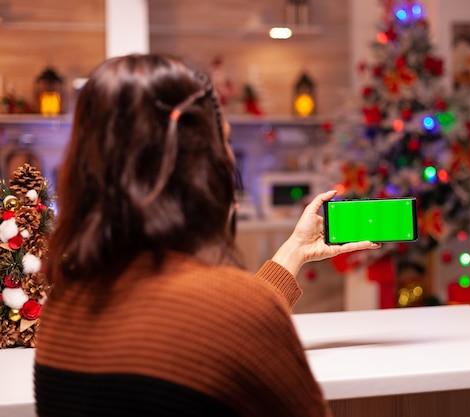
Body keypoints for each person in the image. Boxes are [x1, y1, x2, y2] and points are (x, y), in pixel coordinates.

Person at [34, 54, 380, 417]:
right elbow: (228, 323)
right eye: (224, 141)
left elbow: (204, 333)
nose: (230, 159)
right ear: (200, 164)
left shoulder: (63, 309)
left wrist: (294, 250)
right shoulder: (233, 311)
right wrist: (254, 305)